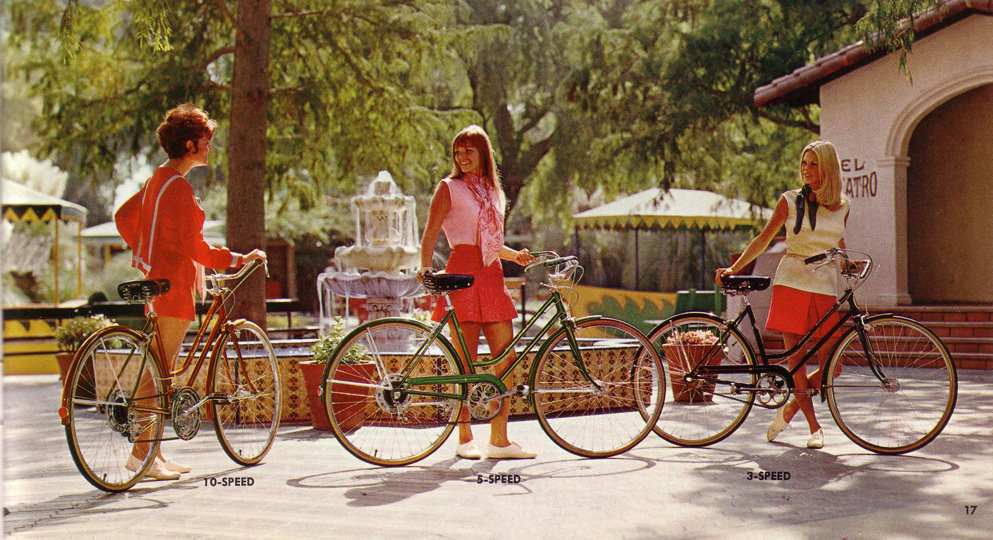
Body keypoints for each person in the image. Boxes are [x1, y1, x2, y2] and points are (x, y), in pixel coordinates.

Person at [115, 103, 266, 479]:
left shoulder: (158, 179)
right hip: (174, 287)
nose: (210, 148)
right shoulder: (177, 187)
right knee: (160, 372)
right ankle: (140, 456)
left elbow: (123, 217)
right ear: (189, 145)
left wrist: (147, 251)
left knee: (160, 368)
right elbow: (196, 248)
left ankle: (153, 453)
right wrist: (238, 258)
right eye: (206, 141)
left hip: (157, 282)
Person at [715, 140, 849, 450]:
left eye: (813, 163)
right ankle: (815, 428)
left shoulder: (843, 205)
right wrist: (734, 268)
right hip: (791, 283)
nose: (806, 168)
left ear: (828, 167)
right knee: (797, 363)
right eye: (804, 162)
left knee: (834, 365)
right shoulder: (789, 201)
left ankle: (789, 408)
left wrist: (847, 261)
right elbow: (764, 239)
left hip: (825, 288)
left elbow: (837, 240)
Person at [418, 125, 537, 460]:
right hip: (462, 273)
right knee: (464, 362)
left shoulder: (492, 192)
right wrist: (425, 267)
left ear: (484, 153)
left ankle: (499, 440)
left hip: (492, 275)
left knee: (506, 357)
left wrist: (515, 256)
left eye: (469, 150)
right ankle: (464, 436)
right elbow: (430, 234)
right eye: (458, 151)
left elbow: (491, 242)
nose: (462, 156)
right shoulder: (448, 188)